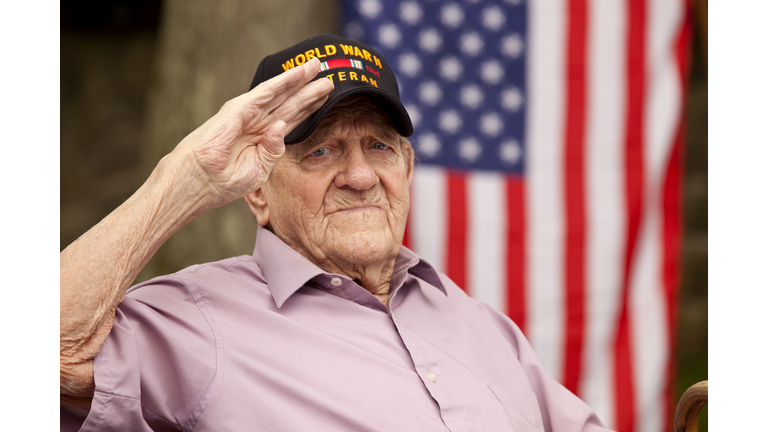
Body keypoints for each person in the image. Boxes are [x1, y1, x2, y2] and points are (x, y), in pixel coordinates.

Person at [60, 34, 613, 431]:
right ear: (257, 190)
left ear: (407, 168)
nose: (359, 175)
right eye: (321, 151)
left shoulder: (482, 326)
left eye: (379, 146)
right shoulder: (195, 322)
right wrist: (188, 178)